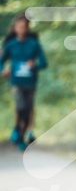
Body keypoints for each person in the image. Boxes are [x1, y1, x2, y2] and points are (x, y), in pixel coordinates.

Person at [0, 14, 48, 151]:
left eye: (25, 26)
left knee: (28, 108)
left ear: (27, 27)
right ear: (15, 27)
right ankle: (17, 130)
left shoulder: (34, 40)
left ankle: (27, 131)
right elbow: (2, 57)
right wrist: (3, 69)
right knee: (20, 107)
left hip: (30, 81)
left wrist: (35, 65)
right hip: (16, 81)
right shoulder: (10, 41)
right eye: (19, 26)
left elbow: (43, 62)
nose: (22, 28)